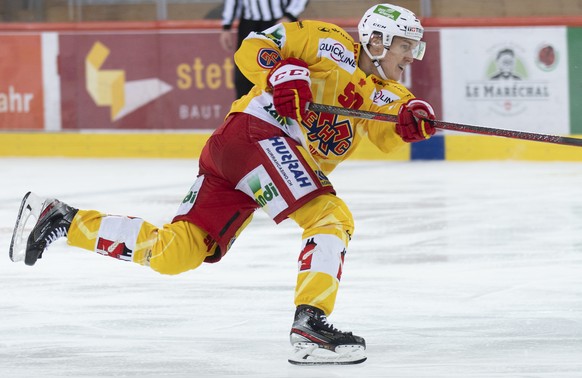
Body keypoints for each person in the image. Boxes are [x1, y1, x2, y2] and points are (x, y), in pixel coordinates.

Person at [10, 3, 436, 365]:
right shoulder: (326, 40)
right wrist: (281, 71)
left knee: (176, 252)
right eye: (405, 45)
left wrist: (412, 121)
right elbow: (255, 47)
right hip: (258, 133)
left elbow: (388, 133)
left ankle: (62, 219)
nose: (412, 55)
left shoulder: (388, 92)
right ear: (377, 40)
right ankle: (310, 327)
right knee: (330, 216)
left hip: (238, 156)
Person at [220, 0, 309, 99]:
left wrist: (290, 15)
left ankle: (285, 109)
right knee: (244, 73)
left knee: (282, 71)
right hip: (249, 23)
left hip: (279, 22)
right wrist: (226, 26)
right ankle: (244, 111)